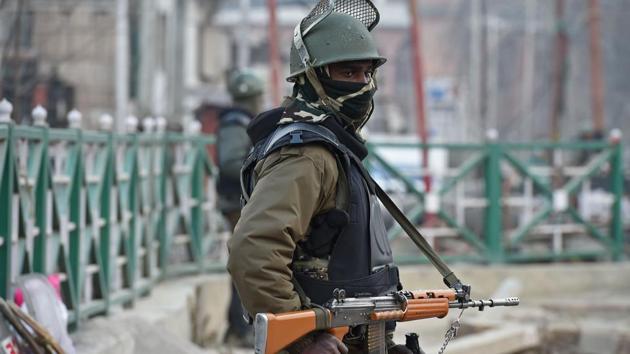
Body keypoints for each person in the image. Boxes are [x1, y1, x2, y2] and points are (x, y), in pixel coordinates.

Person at [227, 2, 414, 353]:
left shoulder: (333, 147)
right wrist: (301, 339)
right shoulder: (308, 154)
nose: (362, 84)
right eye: (347, 73)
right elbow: (253, 249)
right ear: (313, 78)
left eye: (366, 73)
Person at [216, 69, 263, 347]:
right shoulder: (235, 122)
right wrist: (263, 174)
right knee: (246, 265)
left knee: (248, 265)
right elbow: (231, 163)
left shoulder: (241, 120)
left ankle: (240, 328)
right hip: (238, 203)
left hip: (242, 202)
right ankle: (238, 329)